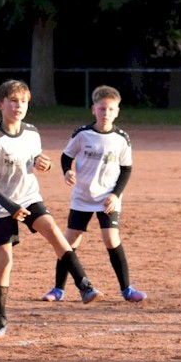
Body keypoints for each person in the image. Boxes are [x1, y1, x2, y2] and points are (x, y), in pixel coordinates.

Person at [0, 79, 104, 340]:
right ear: (0, 104)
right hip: (1, 205)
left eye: (23, 101)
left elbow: (34, 158)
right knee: (5, 260)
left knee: (55, 233)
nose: (18, 106)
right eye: (13, 101)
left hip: (28, 196)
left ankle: (84, 285)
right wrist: (11, 207)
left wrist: (41, 163)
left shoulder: (32, 132)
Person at [41, 85, 147, 303]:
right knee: (69, 241)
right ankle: (58, 289)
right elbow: (65, 156)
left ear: (117, 111)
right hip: (82, 197)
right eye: (101, 109)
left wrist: (116, 195)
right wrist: (67, 171)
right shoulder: (82, 134)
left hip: (107, 197)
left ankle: (127, 288)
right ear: (93, 109)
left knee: (111, 238)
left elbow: (126, 168)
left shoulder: (121, 138)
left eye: (110, 109)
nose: (105, 113)